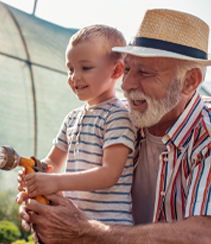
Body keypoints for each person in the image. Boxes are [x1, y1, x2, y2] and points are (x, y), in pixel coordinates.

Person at [16, 9, 211, 244]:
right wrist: (42, 205)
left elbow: (206, 237)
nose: (126, 85)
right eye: (127, 69)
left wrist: (85, 230)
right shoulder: (128, 118)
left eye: (145, 73)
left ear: (189, 81)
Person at [23, 24, 136, 225]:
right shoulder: (72, 118)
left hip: (109, 228)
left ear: (116, 70)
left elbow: (109, 173)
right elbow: (53, 163)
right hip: (75, 223)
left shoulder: (118, 116)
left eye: (85, 68)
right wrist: (35, 173)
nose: (75, 76)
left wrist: (55, 182)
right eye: (70, 69)